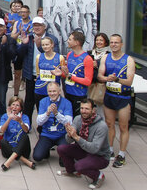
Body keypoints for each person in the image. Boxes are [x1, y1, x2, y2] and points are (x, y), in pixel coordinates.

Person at [97, 34, 135, 168]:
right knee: (109, 124)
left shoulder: (128, 60)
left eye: (116, 43)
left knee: (123, 127)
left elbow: (129, 81)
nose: (113, 45)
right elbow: (100, 76)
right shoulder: (106, 57)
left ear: (121, 44)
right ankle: (110, 150)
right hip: (109, 96)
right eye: (112, 42)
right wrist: (107, 79)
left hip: (123, 97)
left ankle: (122, 154)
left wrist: (117, 80)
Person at [56, 99, 110, 188]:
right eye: (82, 108)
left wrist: (77, 137)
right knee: (61, 149)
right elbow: (69, 141)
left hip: (100, 156)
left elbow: (94, 149)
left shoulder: (101, 126)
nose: (83, 111)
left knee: (79, 166)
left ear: (93, 110)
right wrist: (69, 135)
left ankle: (99, 176)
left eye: (87, 109)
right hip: (84, 149)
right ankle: (71, 171)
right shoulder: (78, 119)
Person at [16, 17, 59, 127]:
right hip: (31, 74)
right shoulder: (29, 37)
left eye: (39, 25)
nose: (36, 28)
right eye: (34, 25)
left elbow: (55, 56)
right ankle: (26, 124)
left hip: (47, 77)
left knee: (44, 102)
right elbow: (20, 54)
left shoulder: (52, 39)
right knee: (29, 101)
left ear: (44, 27)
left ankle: (44, 125)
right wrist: (24, 43)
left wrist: (40, 46)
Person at [32, 82, 72, 163]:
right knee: (37, 157)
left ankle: (63, 152)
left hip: (62, 135)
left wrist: (57, 114)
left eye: (54, 91)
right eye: (50, 91)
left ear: (59, 91)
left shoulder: (67, 103)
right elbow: (39, 122)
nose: (52, 93)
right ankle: (45, 150)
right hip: (47, 134)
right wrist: (47, 113)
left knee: (64, 162)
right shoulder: (43, 101)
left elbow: (69, 122)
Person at [62, 31, 94, 117]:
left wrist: (70, 77)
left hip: (79, 95)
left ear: (77, 42)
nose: (68, 41)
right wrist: (60, 73)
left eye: (70, 39)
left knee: (77, 120)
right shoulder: (69, 55)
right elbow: (67, 74)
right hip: (68, 92)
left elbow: (88, 81)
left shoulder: (87, 59)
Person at [0, 96, 35, 171]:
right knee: (2, 141)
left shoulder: (24, 117)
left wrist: (20, 121)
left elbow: (26, 130)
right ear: (9, 106)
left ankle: (8, 162)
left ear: (21, 108)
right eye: (13, 104)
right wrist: (9, 118)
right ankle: (25, 161)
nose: (14, 107)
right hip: (9, 149)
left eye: (17, 105)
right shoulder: (4, 116)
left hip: (22, 149)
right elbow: (2, 131)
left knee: (25, 136)